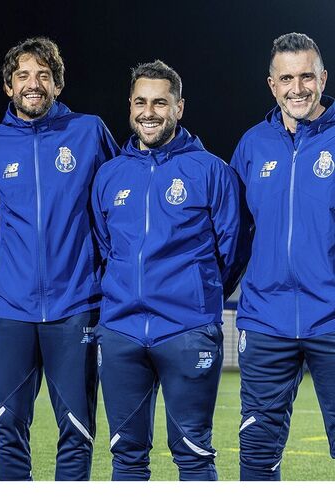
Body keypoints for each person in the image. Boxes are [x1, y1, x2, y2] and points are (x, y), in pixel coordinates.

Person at [91, 60, 249, 481]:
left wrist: (197, 294)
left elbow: (232, 252)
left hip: (186, 329)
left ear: (179, 108)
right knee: (126, 457)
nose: (149, 112)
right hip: (121, 331)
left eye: (160, 102)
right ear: (129, 106)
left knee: (194, 455)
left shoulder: (212, 171)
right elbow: (106, 248)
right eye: (141, 102)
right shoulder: (109, 175)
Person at [0, 36, 118, 481]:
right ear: (8, 86)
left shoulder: (89, 130)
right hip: (11, 307)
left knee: (76, 430)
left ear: (58, 83)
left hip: (75, 305)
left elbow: (115, 194)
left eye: (43, 75)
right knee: (8, 427)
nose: (32, 83)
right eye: (23, 75)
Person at [232, 32, 335, 480]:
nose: (298, 88)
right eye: (287, 78)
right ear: (272, 85)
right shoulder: (253, 146)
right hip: (266, 321)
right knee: (256, 453)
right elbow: (232, 232)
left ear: (323, 78)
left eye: (307, 76)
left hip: (332, 318)